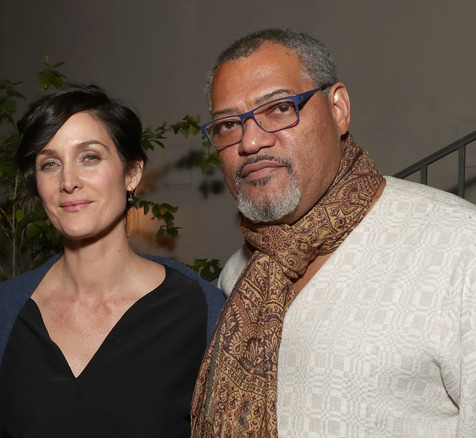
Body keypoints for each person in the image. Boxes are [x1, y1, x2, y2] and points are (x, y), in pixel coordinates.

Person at [190, 28, 476, 437]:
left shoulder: (459, 246)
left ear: (338, 109)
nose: (250, 141)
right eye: (228, 124)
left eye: (279, 108)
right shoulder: (241, 274)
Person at [0, 84, 226, 437]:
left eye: (89, 157)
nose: (68, 181)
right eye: (50, 164)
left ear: (132, 173)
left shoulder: (201, 310)